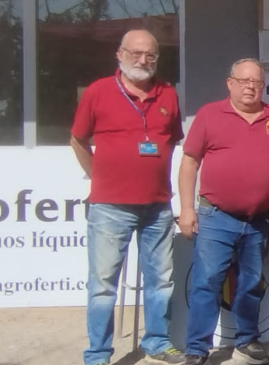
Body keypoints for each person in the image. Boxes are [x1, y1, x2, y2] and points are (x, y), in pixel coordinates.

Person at [69, 29, 185, 365]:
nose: (143, 60)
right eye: (135, 53)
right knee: (104, 285)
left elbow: (171, 140)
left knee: (161, 280)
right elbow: (77, 139)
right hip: (109, 208)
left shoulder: (167, 94)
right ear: (119, 55)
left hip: (157, 206)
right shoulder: (98, 91)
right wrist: (99, 176)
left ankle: (158, 342)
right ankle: (98, 354)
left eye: (150, 54)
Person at [178, 59, 269, 365]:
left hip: (258, 219)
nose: (250, 87)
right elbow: (189, 162)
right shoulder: (209, 114)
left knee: (251, 283)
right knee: (207, 282)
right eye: (243, 81)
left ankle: (247, 339)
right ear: (229, 83)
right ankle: (197, 348)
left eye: (256, 82)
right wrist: (187, 209)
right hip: (216, 217)